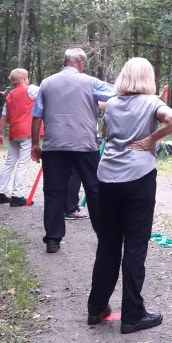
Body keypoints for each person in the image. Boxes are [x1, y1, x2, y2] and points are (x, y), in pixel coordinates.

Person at [87, 57, 172, 334]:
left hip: (107, 178)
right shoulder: (152, 103)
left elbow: (106, 133)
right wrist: (152, 139)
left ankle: (96, 308)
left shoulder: (113, 103)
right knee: (135, 245)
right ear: (147, 78)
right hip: (138, 178)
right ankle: (132, 315)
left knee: (108, 244)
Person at [30, 47, 116, 254]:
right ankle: (104, 235)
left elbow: (37, 116)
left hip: (54, 145)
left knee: (53, 192)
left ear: (63, 61)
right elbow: (118, 93)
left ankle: (53, 239)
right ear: (82, 64)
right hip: (84, 145)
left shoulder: (46, 83)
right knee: (95, 189)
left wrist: (35, 144)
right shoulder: (91, 82)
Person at [0, 69, 40, 207]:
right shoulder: (31, 90)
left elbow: (4, 115)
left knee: (9, 163)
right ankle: (17, 196)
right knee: (23, 165)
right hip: (27, 131)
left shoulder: (9, 95)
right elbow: (47, 92)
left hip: (14, 132)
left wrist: (0, 133)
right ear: (24, 78)